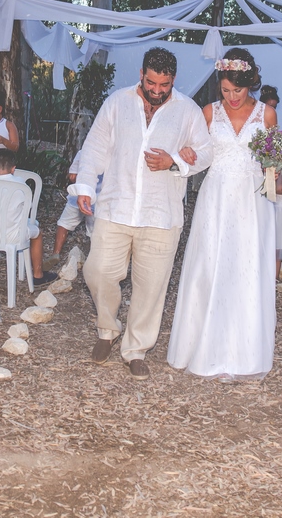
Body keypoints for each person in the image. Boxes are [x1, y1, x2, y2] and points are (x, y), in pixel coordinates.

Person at [74, 47, 213, 380]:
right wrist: (85, 186)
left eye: (164, 84)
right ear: (141, 74)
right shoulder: (117, 103)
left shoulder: (188, 111)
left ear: (173, 80)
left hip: (161, 215)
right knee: (98, 271)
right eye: (151, 82)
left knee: (151, 287)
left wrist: (174, 161)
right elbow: (94, 148)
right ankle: (107, 329)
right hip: (115, 207)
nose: (157, 90)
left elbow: (206, 153)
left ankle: (135, 349)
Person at [167, 48, 277, 380]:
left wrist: (278, 171)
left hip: (252, 201)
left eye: (237, 90)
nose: (231, 96)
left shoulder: (267, 114)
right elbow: (195, 150)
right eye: (226, 90)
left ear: (251, 83)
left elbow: (271, 165)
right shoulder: (208, 113)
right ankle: (200, 347)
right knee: (209, 265)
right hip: (215, 197)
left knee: (246, 268)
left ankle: (244, 353)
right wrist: (187, 151)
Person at [0, 149, 55, 286]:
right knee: (38, 234)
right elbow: (26, 211)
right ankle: (38, 275)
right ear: (13, 169)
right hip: (14, 235)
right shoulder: (20, 184)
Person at [49, 149, 98, 268]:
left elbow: (72, 176)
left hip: (78, 196)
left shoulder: (83, 152)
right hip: (98, 198)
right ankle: (93, 260)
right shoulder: (113, 155)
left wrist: (83, 180)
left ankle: (55, 253)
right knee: (94, 231)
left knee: (64, 223)